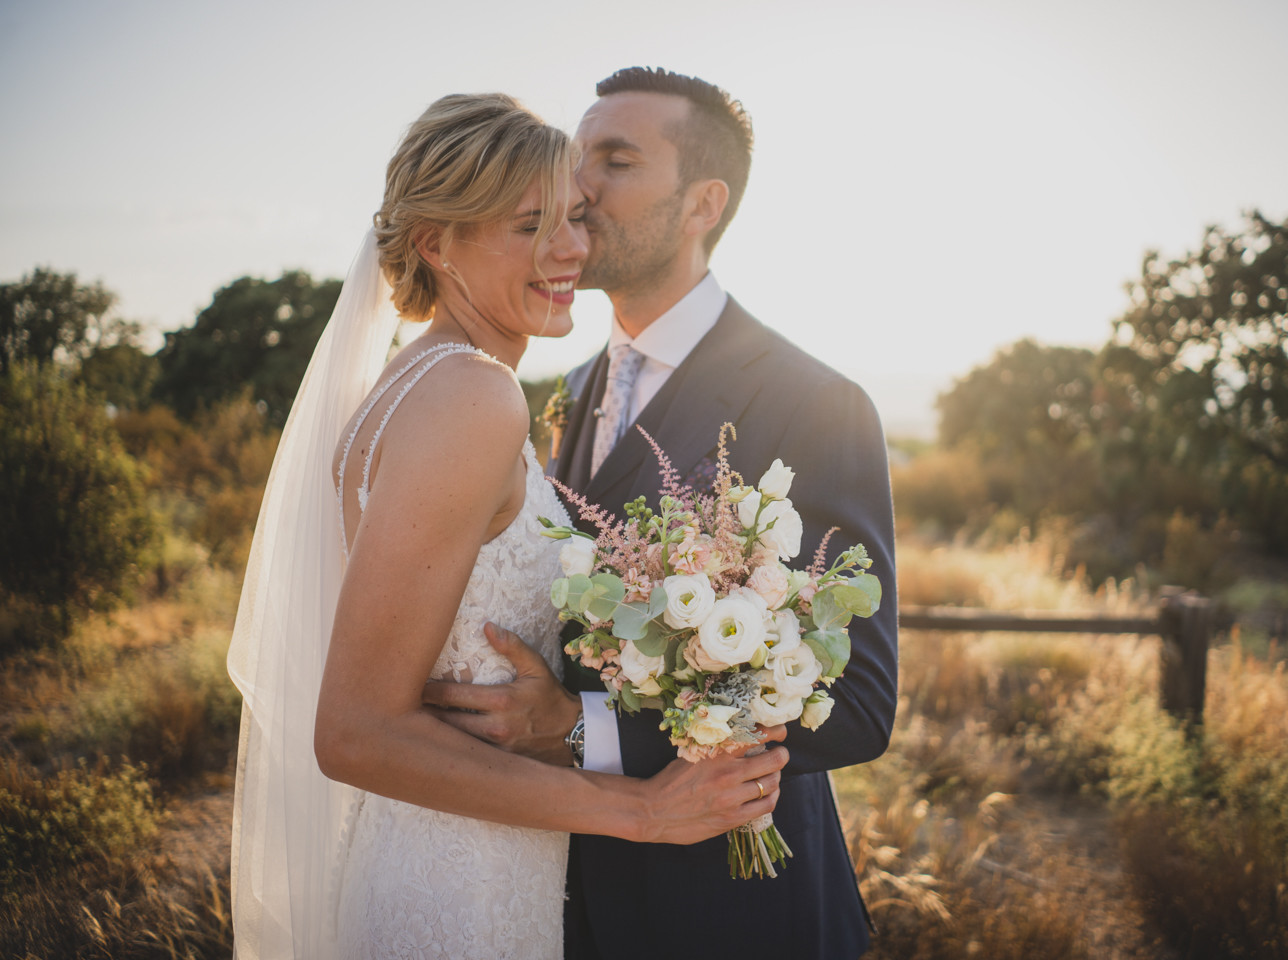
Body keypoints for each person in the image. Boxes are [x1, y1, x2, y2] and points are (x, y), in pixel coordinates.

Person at [228, 92, 788, 960]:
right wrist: (642, 811)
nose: (569, 247)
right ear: (435, 244)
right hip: (463, 894)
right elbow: (354, 731)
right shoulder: (473, 397)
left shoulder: (415, 387)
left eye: (569, 216)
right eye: (527, 225)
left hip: (441, 853)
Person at [423, 69, 900, 960]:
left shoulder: (816, 402)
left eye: (617, 161)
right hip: (570, 898)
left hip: (737, 909)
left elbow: (860, 703)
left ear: (701, 204)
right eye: (577, 159)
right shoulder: (565, 390)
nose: (578, 188)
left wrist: (578, 730)